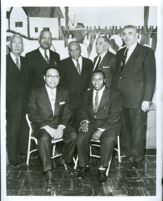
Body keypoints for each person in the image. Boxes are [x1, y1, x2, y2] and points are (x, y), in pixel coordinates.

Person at [27, 67, 77, 192]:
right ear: (44, 78)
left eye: (56, 76)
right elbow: (32, 114)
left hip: (58, 124)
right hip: (41, 126)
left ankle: (64, 160)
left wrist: (61, 127)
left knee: (73, 135)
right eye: (50, 76)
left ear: (59, 79)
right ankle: (48, 171)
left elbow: (67, 112)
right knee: (44, 138)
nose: (53, 79)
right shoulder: (35, 92)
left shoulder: (64, 92)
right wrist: (48, 128)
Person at [113, 25, 156, 168]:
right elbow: (116, 77)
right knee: (125, 128)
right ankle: (128, 153)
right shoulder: (120, 53)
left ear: (137, 35)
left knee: (138, 129)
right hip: (121, 99)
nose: (127, 36)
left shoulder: (146, 52)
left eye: (130, 33)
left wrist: (147, 99)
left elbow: (150, 77)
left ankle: (138, 158)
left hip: (138, 99)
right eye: (124, 34)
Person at [77, 70, 121, 182]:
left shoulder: (114, 94)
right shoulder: (86, 93)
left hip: (108, 125)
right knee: (81, 137)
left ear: (105, 80)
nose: (96, 82)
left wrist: (100, 130)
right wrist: (85, 121)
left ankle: (102, 169)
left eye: (100, 79)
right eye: (94, 79)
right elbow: (82, 110)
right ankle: (83, 166)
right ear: (91, 80)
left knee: (109, 140)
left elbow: (115, 115)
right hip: (91, 123)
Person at [58, 41, 93, 129]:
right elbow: (60, 86)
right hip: (70, 105)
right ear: (68, 51)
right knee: (72, 131)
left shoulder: (89, 63)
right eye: (71, 50)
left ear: (80, 50)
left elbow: (90, 82)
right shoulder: (62, 64)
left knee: (84, 130)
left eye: (76, 50)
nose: (74, 53)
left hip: (85, 104)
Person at [6, 34, 27, 168]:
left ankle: (22, 152)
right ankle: (13, 159)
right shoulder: (4, 61)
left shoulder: (25, 61)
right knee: (12, 131)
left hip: (25, 104)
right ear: (10, 45)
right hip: (12, 105)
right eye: (15, 43)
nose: (18, 45)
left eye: (20, 43)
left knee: (23, 130)